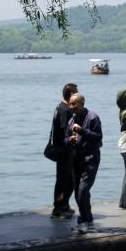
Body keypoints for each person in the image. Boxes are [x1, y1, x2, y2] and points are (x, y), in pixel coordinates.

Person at [65, 92, 102, 233]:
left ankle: (86, 220)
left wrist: (82, 131)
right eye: (70, 103)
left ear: (82, 103)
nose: (72, 106)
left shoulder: (93, 117)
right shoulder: (71, 120)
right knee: (78, 192)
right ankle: (86, 219)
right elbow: (66, 138)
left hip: (90, 158)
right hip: (76, 159)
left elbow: (98, 137)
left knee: (83, 190)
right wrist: (70, 140)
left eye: (75, 103)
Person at [49, 82, 79, 220]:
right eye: (76, 94)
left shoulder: (61, 107)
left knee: (69, 179)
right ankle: (58, 208)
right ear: (71, 95)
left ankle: (64, 204)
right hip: (64, 150)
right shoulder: (64, 110)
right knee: (62, 180)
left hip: (63, 148)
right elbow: (64, 130)